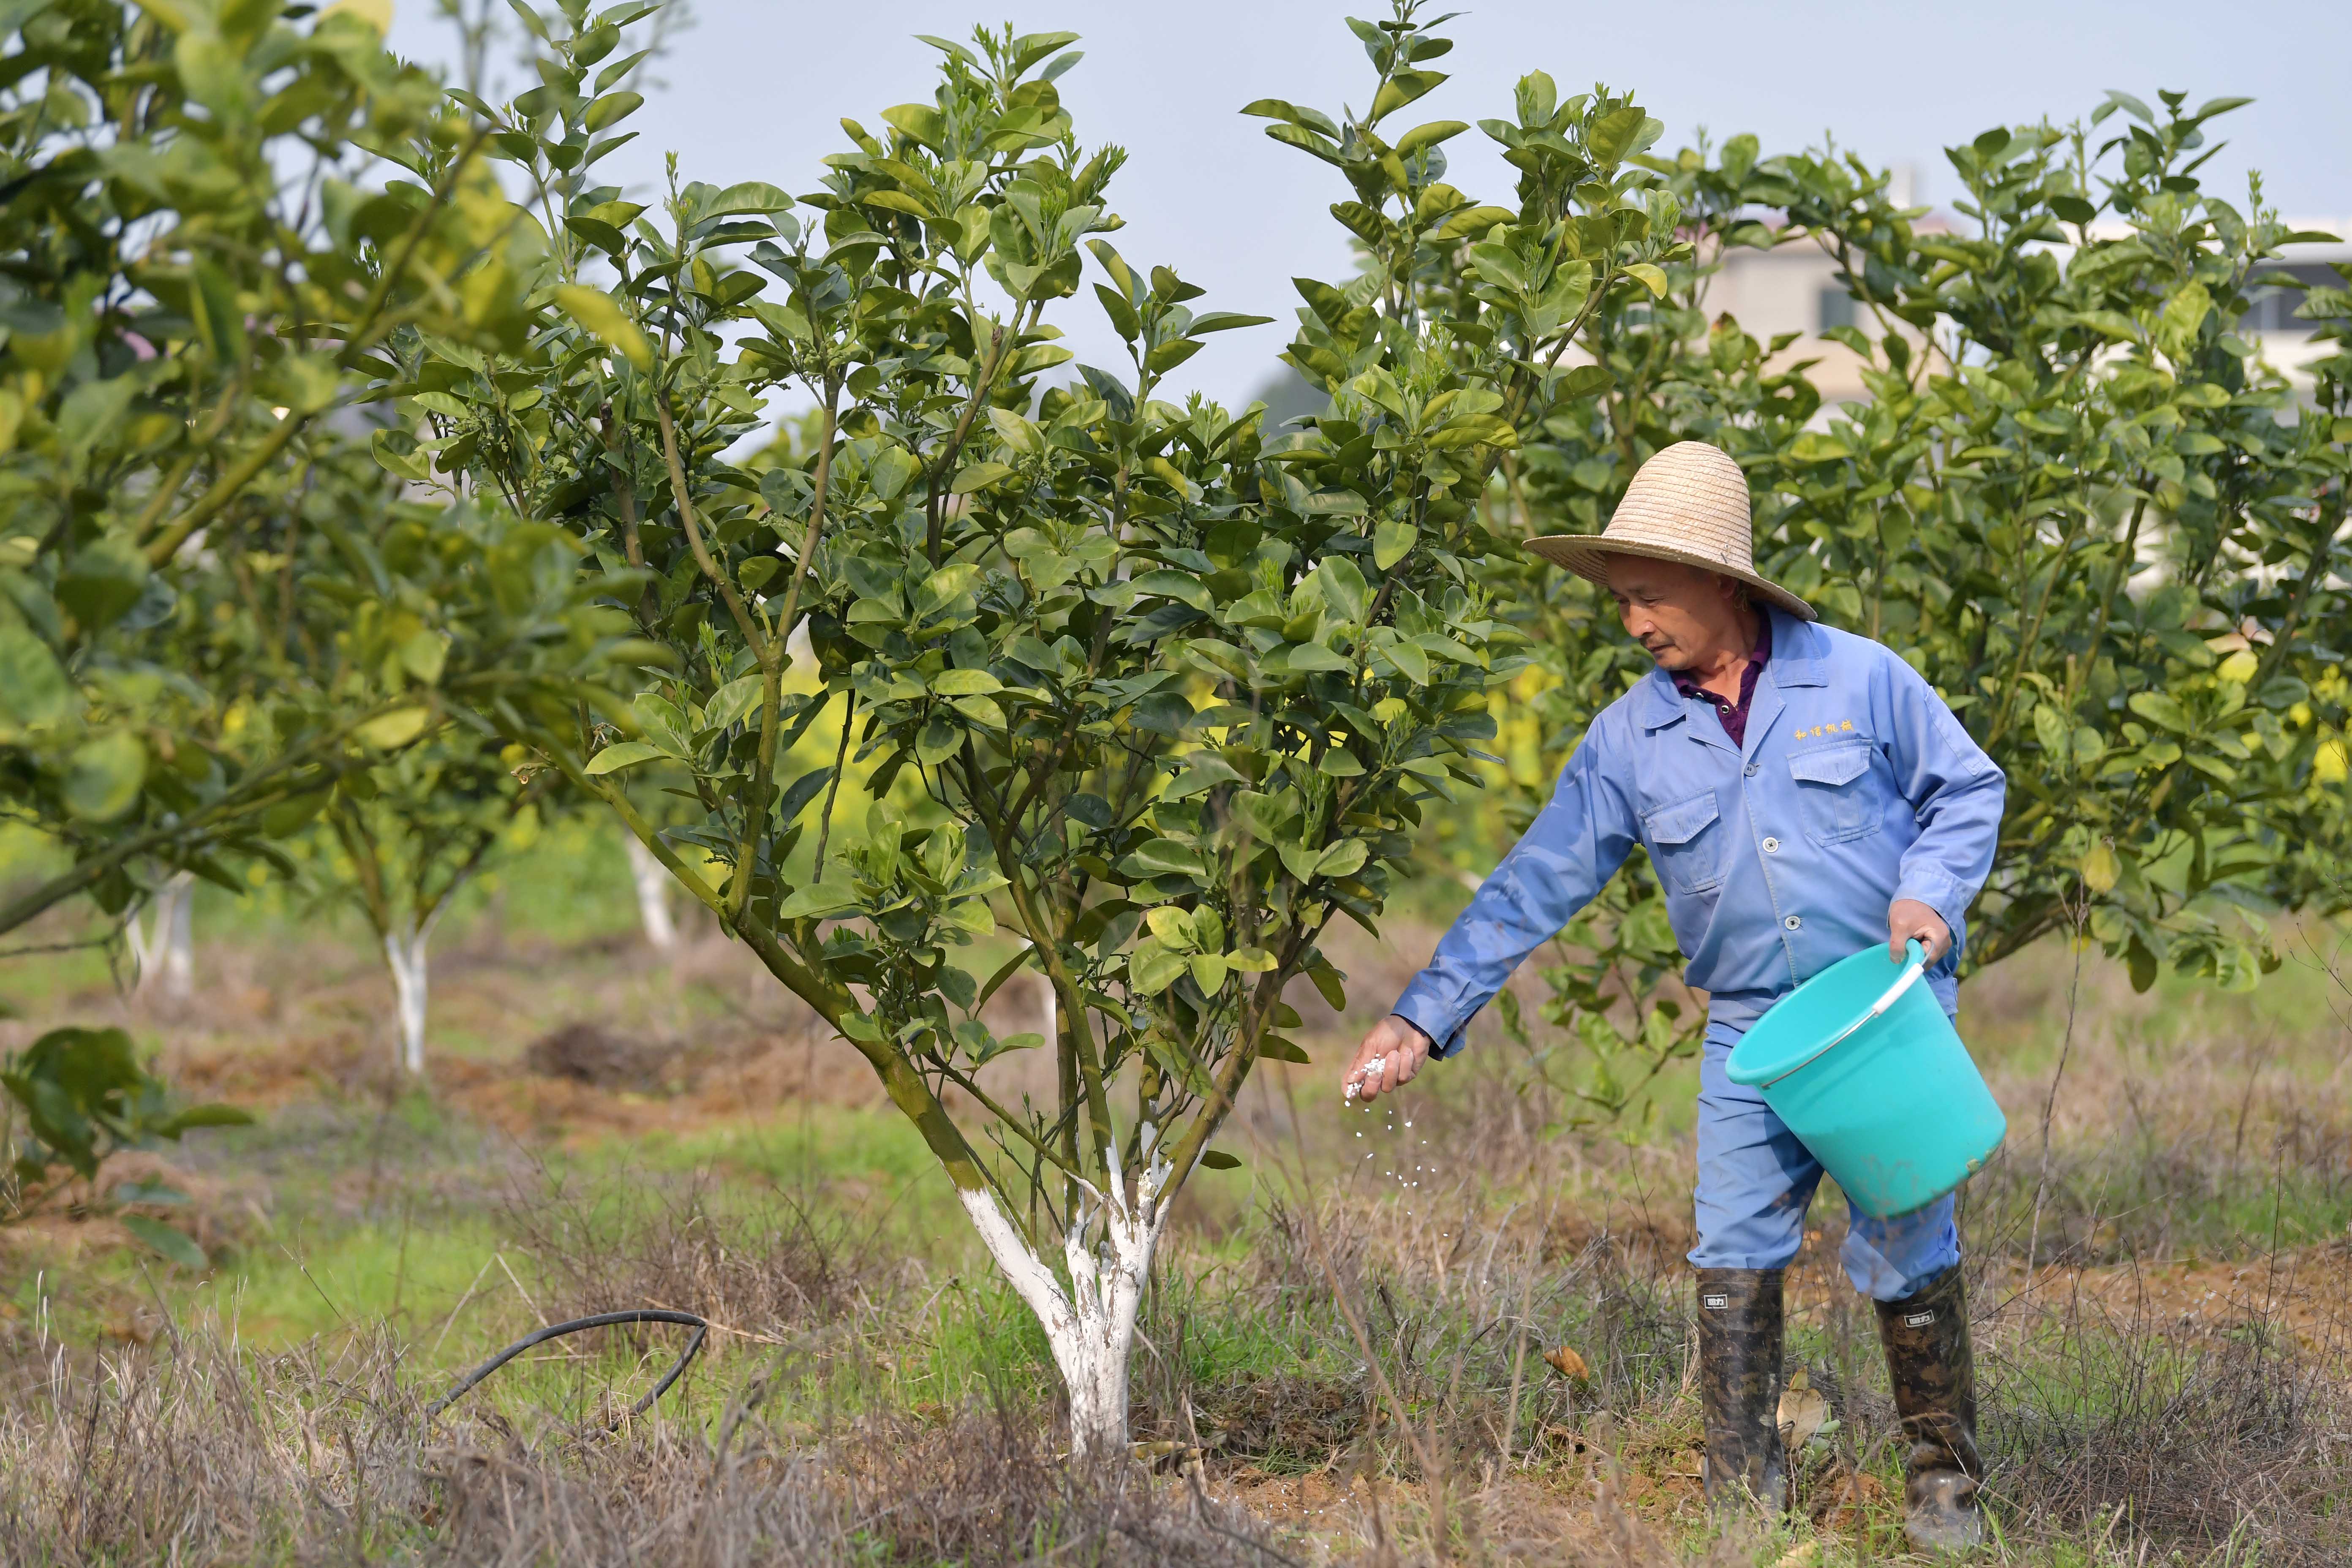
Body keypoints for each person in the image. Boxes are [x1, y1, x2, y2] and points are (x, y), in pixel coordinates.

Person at [1341, 441, 2005, 1550]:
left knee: (1907, 1249)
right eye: (1621, 600)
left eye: (1649, 594)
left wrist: (1930, 897)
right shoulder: (1631, 738)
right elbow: (1534, 882)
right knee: (1733, 1253)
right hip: (1754, 1037)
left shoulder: (1861, 679)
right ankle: (1742, 1507)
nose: (1633, 621)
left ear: (1721, 581)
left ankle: (1947, 1499)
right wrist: (1421, 1018)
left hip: (1880, 1020)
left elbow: (1965, 790)